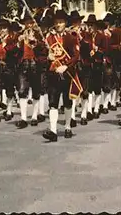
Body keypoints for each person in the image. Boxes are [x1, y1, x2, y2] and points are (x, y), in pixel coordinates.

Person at [43, 9, 80, 142]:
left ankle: (68, 127)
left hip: (67, 73)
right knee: (53, 103)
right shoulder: (49, 38)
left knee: (67, 102)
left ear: (65, 23)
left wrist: (66, 66)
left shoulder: (71, 37)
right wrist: (48, 56)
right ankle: (53, 130)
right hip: (53, 74)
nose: (58, 25)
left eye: (61, 22)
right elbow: (41, 55)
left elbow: (76, 56)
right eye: (56, 22)